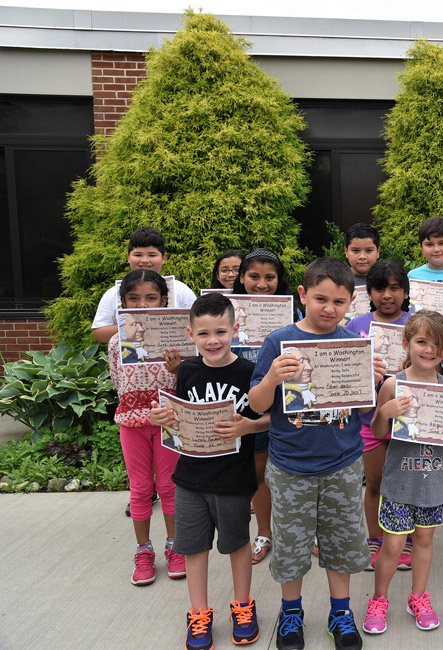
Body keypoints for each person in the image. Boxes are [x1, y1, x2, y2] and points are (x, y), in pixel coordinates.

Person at [249, 257, 386, 650]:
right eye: (321, 298)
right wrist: (273, 377)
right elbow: (256, 404)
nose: (330, 308)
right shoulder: (279, 342)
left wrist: (371, 383)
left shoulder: (354, 344)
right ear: (303, 295)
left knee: (342, 543)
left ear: (350, 304)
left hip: (342, 464)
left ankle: (340, 611)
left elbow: (364, 411)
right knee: (291, 545)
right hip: (291, 466)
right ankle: (291, 612)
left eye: (339, 302)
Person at [148, 293, 270, 650]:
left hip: (233, 479)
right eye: (203, 334)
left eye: (220, 331)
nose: (212, 340)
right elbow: (178, 419)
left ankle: (243, 606)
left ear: (235, 329)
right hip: (190, 479)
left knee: (237, 545)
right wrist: (162, 419)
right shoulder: (185, 371)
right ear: (190, 334)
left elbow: (270, 419)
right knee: (193, 548)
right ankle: (199, 613)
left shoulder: (250, 373)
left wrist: (246, 428)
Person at [363, 310, 443, 634]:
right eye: (421, 341)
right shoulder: (393, 385)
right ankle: (379, 600)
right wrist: (386, 411)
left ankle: (418, 597)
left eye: (437, 343)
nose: (429, 350)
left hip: (434, 481)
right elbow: (378, 431)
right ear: (407, 343)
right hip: (399, 482)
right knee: (392, 546)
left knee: (424, 541)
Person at [106, 269, 184, 587]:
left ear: (164, 300)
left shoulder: (176, 337)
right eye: (133, 298)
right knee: (140, 489)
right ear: (123, 302)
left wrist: (178, 369)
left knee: (169, 486)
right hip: (132, 423)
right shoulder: (116, 342)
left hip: (168, 421)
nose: (142, 303)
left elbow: (186, 381)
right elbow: (117, 379)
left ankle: (175, 547)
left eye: (151, 297)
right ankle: (143, 551)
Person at [346, 259, 412, 571]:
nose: (387, 295)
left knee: (403, 484)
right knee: (374, 483)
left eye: (395, 288)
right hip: (368, 419)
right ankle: (375, 539)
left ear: (405, 291)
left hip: (409, 421)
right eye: (379, 288)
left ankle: (404, 539)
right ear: (369, 292)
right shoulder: (356, 325)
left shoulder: (416, 324)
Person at [231, 248, 296, 565]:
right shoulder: (227, 313)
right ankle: (264, 532)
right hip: (243, 400)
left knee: (290, 472)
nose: (261, 284)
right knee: (257, 473)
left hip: (285, 404)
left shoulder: (294, 315)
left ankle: (300, 533)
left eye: (269, 277)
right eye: (254, 276)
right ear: (241, 277)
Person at [92, 227, 197, 343]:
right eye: (138, 255)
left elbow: (198, 323)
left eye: (152, 255)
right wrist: (134, 326)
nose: (145, 260)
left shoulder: (181, 290)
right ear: (128, 257)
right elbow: (98, 332)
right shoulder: (113, 292)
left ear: (164, 258)